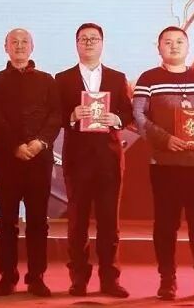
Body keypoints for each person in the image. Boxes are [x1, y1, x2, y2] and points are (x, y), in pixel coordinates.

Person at [132, 26, 194, 302]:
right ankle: (167, 280)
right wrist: (164, 140)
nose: (173, 46)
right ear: (158, 47)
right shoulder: (148, 79)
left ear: (188, 46)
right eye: (167, 42)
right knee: (166, 225)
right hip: (166, 165)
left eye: (179, 41)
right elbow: (139, 115)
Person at [54, 23, 132, 298]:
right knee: (77, 224)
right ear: (76, 44)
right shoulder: (62, 79)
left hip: (109, 159)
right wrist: (71, 116)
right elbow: (54, 115)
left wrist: (117, 119)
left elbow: (129, 113)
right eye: (83, 39)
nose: (89, 43)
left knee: (109, 223)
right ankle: (79, 278)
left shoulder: (117, 77)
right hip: (77, 160)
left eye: (94, 38)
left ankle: (110, 279)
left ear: (102, 43)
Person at [0, 28, 62, 297]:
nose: (19, 46)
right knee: (6, 221)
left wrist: (39, 142)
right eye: (13, 42)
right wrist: (16, 146)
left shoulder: (47, 80)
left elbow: (56, 116)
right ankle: (7, 277)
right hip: (8, 160)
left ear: (32, 46)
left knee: (38, 221)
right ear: (5, 47)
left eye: (24, 42)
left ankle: (37, 277)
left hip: (40, 161)